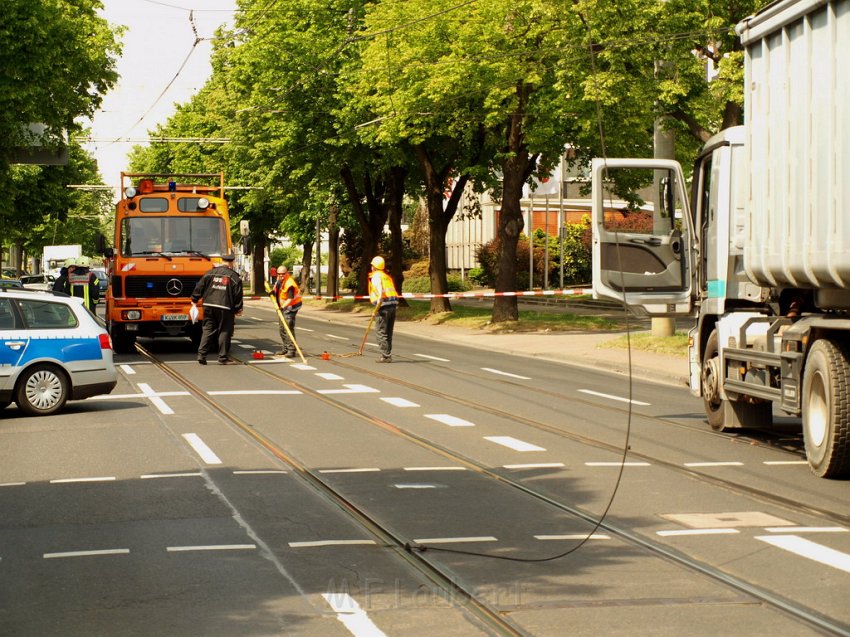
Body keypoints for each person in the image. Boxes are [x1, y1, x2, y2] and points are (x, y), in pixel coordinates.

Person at [191, 254, 244, 365]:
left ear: (222, 260)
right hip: (225, 307)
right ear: (232, 263)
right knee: (225, 331)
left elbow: (199, 286)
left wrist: (195, 299)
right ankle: (223, 357)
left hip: (208, 305)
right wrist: (238, 308)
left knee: (208, 330)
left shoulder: (210, 273)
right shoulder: (234, 277)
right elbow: (238, 294)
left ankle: (201, 355)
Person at [368, 255, 399, 363]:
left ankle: (386, 356)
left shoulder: (376, 277)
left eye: (372, 265)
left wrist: (375, 310)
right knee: (388, 332)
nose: (371, 267)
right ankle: (387, 354)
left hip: (383, 307)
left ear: (374, 267)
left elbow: (380, 295)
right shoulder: (386, 276)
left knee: (380, 332)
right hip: (393, 306)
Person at [272, 265, 302, 357]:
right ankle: (285, 348)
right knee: (282, 328)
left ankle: (291, 350)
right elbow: (277, 292)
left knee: (288, 328)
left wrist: (282, 307)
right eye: (279, 274)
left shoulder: (290, 283)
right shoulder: (279, 281)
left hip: (290, 307)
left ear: (287, 273)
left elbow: (290, 298)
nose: (281, 275)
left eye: (283, 274)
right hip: (282, 307)